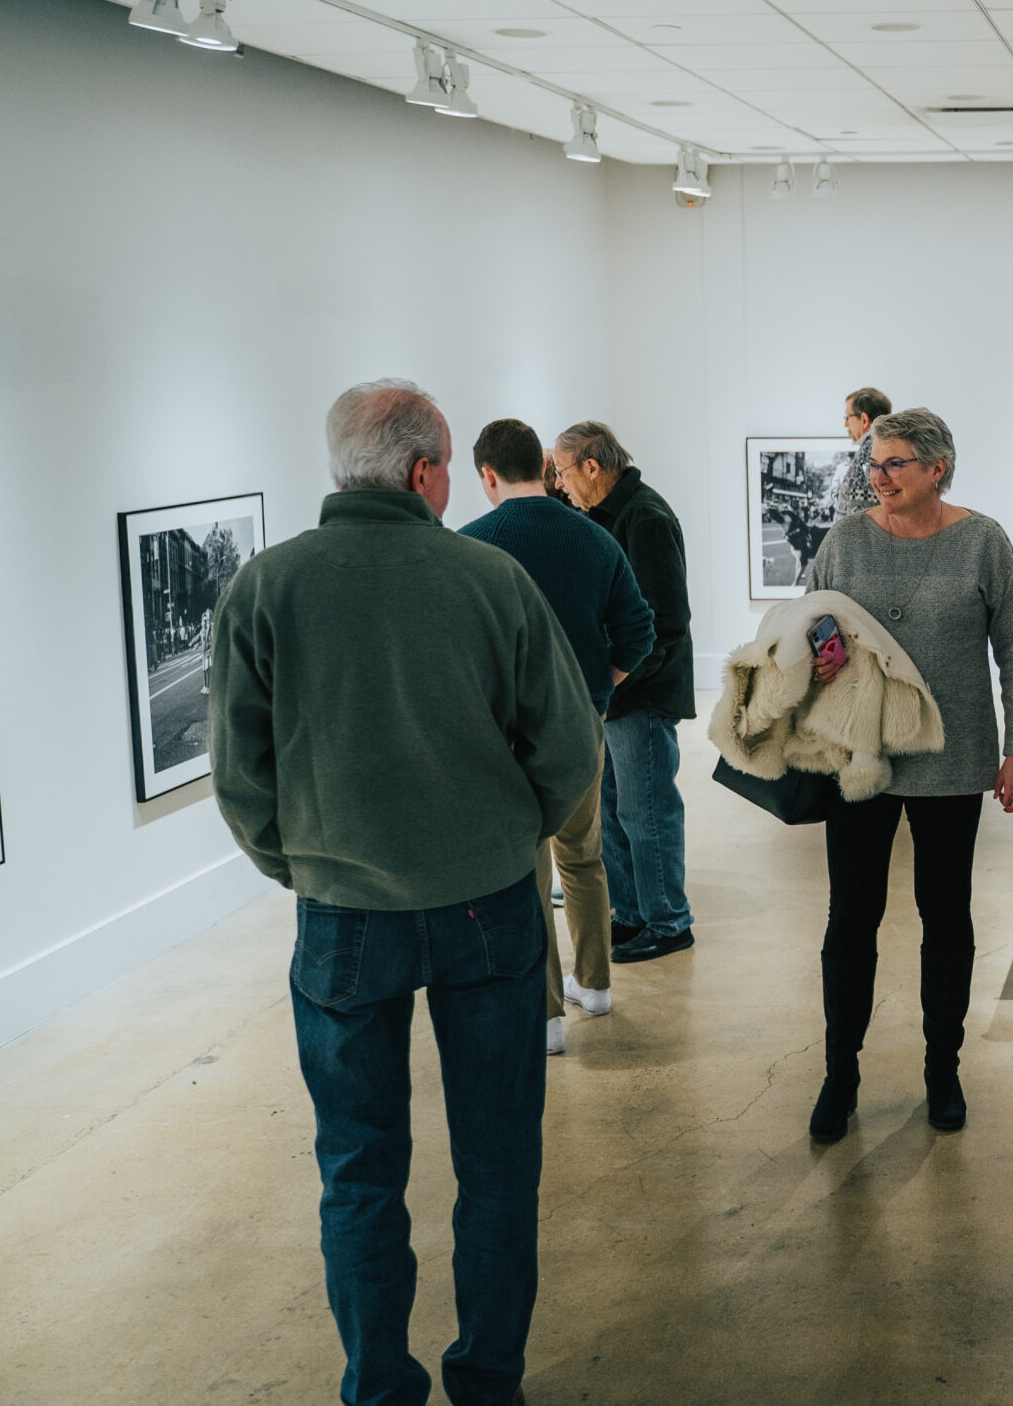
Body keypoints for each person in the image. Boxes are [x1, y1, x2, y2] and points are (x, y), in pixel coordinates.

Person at [210, 380, 602, 1406]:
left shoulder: (266, 587)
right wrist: (512, 833)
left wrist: (303, 865)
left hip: (342, 919)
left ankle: (379, 1386)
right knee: (498, 1163)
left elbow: (240, 776)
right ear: (428, 472)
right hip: (485, 905)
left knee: (358, 1172)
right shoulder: (490, 579)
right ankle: (487, 1382)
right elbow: (568, 748)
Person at [802, 407, 1013, 1141]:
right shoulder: (845, 539)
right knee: (851, 919)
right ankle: (841, 1075)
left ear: (939, 467)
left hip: (951, 755)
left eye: (896, 462)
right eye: (874, 462)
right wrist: (824, 655)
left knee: (946, 916)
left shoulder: (983, 542)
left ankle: (944, 1070)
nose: (879, 474)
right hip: (862, 757)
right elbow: (810, 616)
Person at [461, 418, 656, 1053]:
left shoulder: (471, 547)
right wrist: (596, 694)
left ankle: (544, 1017)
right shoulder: (594, 540)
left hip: (506, 739)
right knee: (584, 855)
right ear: (546, 468)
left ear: (488, 475)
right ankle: (595, 985)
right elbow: (639, 630)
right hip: (580, 728)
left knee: (526, 872)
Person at [554, 422, 697, 964]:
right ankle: (631, 912)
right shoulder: (609, 515)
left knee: (648, 811)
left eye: (565, 472)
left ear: (593, 466)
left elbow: (664, 621)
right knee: (612, 811)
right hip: (616, 693)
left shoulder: (645, 517)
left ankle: (668, 921)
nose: (562, 485)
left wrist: (619, 680)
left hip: (641, 693)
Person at [834, 386, 890, 518]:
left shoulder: (871, 452)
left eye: (848, 417)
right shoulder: (885, 447)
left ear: (864, 420)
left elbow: (861, 512)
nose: (846, 425)